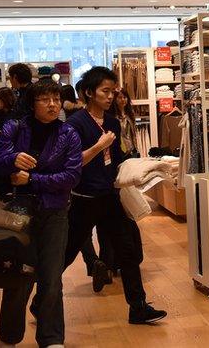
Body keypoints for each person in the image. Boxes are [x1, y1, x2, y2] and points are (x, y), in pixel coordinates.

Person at [63, 67, 167, 324]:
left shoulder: (111, 122)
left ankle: (138, 306)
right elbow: (72, 163)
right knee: (66, 253)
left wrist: (139, 169)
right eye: (105, 91)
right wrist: (99, 146)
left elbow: (117, 159)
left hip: (110, 196)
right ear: (89, 92)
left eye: (113, 91)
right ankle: (40, 301)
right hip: (84, 199)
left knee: (128, 251)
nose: (110, 96)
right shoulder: (75, 124)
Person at [0, 79, 83, 348]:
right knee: (17, 276)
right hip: (18, 213)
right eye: (45, 99)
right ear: (32, 103)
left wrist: (31, 180)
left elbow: (72, 176)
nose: (53, 104)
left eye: (56, 98)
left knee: (52, 278)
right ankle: (9, 338)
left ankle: (52, 338)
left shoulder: (69, 134)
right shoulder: (15, 128)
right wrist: (11, 160)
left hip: (55, 213)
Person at [112, 88, 139, 158]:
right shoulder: (113, 116)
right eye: (120, 97)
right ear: (115, 99)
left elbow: (133, 132)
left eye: (125, 97)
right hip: (120, 150)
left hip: (132, 148)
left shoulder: (130, 113)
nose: (123, 100)